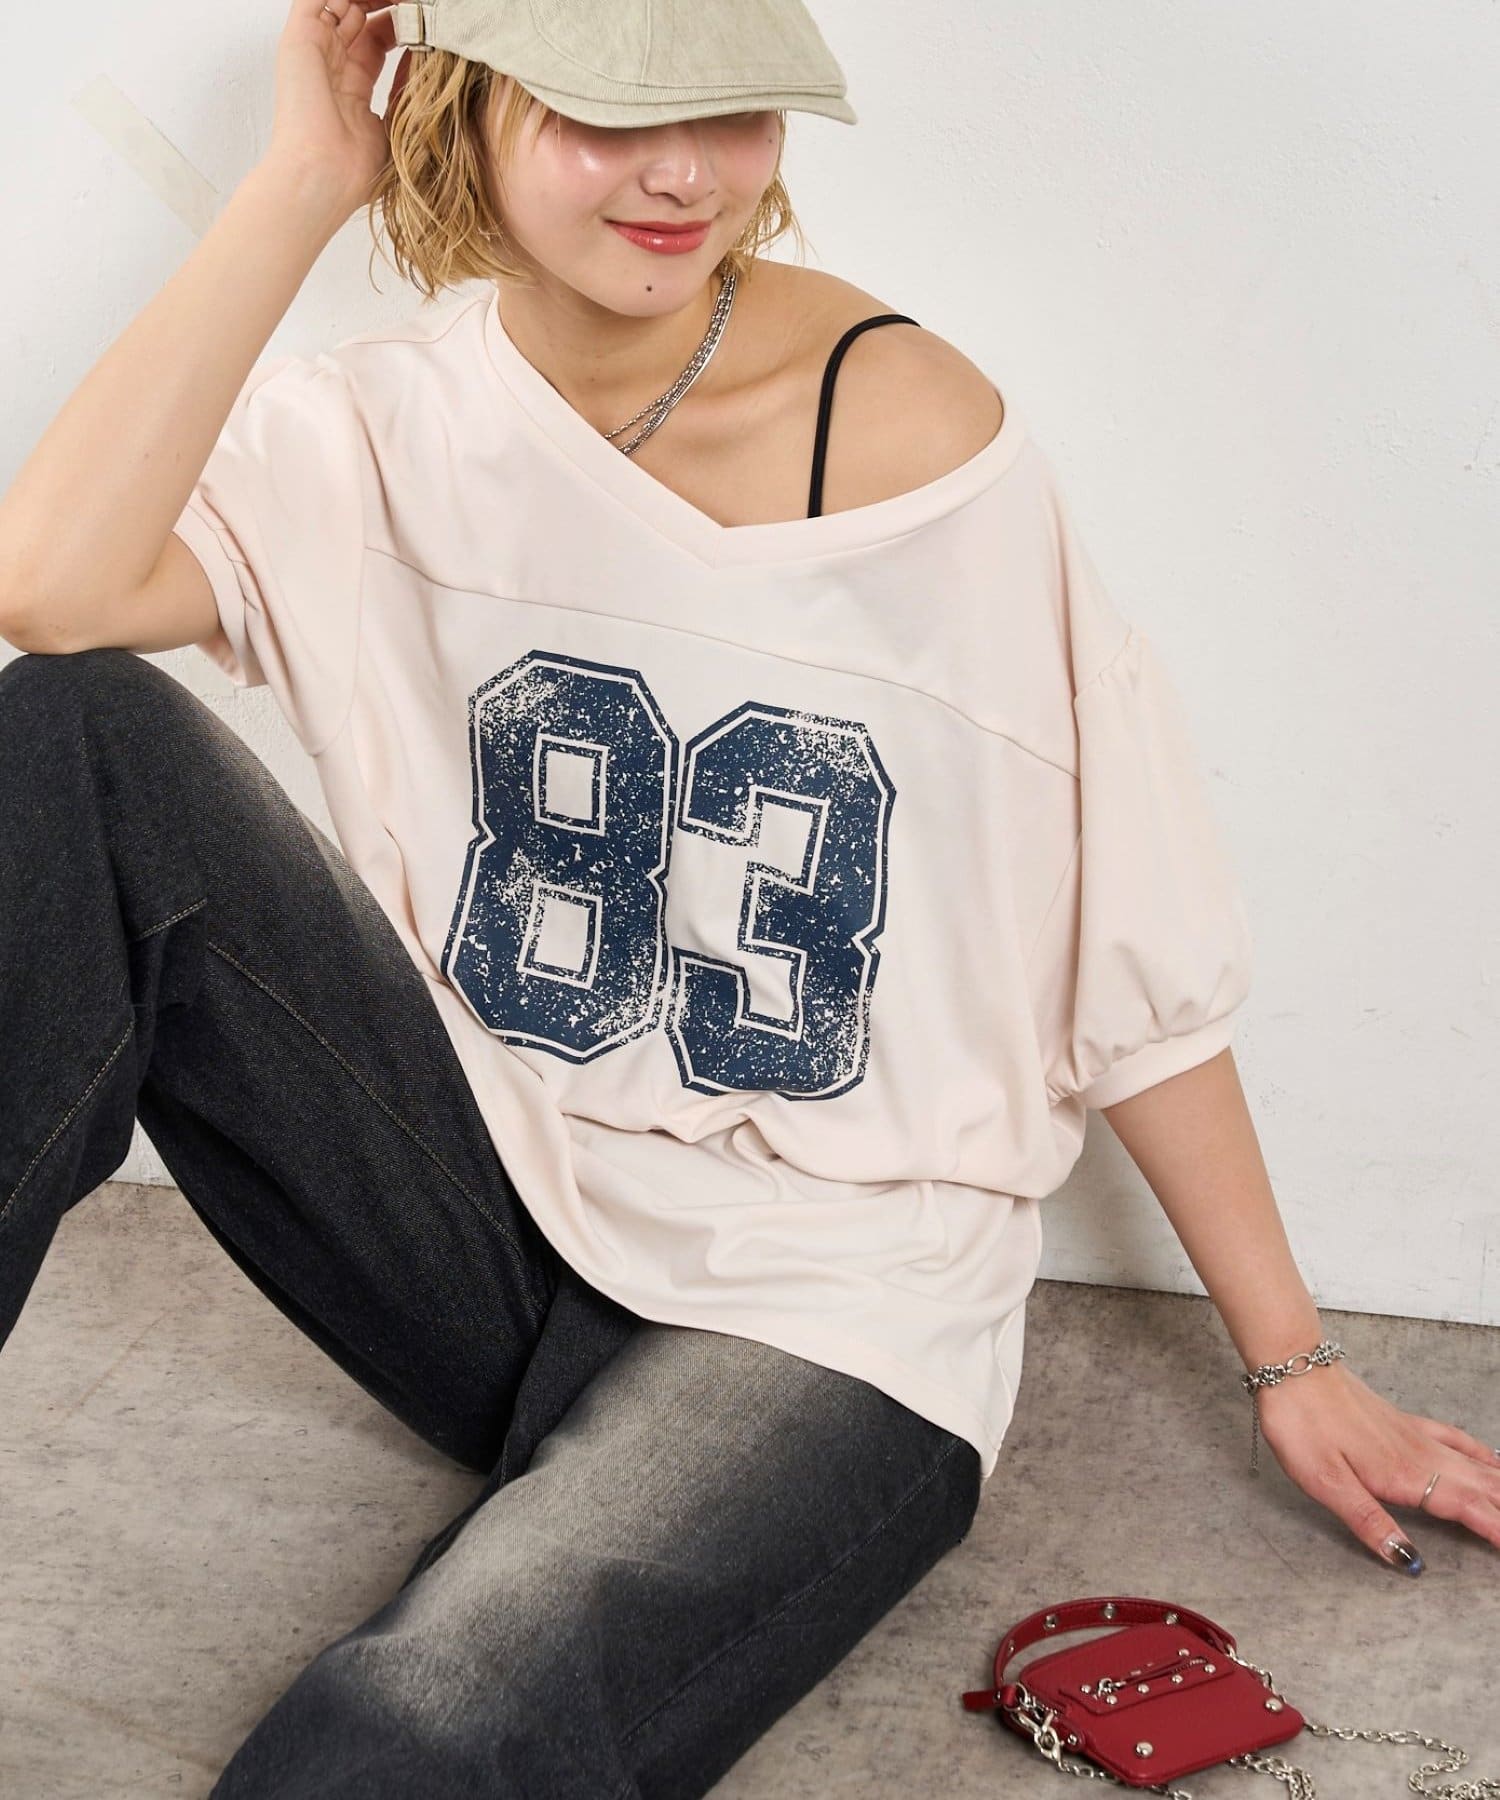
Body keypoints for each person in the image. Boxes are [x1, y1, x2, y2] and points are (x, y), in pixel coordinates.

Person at [1, 0, 1497, 1792]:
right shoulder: (378, 425)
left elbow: (1128, 930)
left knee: (435, 1716)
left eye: (733, 110)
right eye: (607, 112)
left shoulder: (913, 434)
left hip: (825, 1311)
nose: (683, 175)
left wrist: (1293, 1358)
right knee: (74, 736)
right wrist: (305, 177)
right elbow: (53, 593)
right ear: (464, 99)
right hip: (484, 1222)